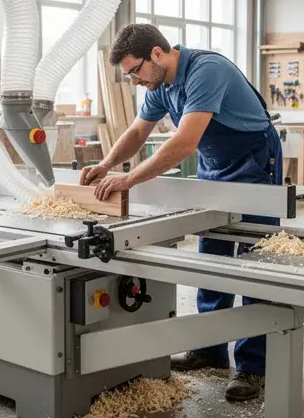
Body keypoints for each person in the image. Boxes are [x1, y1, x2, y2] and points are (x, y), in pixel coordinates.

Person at [81, 23, 282, 402]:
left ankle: (255, 366)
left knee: (255, 263)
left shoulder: (207, 71)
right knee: (212, 257)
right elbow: (138, 133)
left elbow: (185, 143)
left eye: (135, 71)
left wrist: (129, 180)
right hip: (215, 164)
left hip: (254, 159)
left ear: (157, 54)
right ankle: (209, 350)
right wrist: (107, 164)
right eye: (128, 76)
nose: (135, 80)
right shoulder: (161, 85)